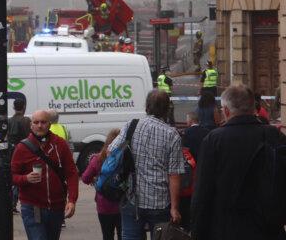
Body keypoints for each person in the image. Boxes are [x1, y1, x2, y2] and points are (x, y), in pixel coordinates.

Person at [192, 84, 286, 240]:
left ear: (227, 111)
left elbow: (203, 193)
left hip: (227, 228)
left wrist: (197, 232)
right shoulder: (274, 136)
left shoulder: (214, 140)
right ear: (252, 108)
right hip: (268, 229)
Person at [107, 90, 185, 240]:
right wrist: (174, 208)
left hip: (132, 199)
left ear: (147, 107)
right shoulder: (172, 134)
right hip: (160, 203)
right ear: (167, 109)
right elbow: (174, 174)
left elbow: (111, 151)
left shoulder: (132, 125)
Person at [11, 109, 79, 240]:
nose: (39, 125)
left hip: (56, 207)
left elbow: (71, 173)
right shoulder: (22, 147)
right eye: (36, 122)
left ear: (49, 124)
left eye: (43, 122)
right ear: (31, 125)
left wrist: (72, 200)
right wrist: (26, 178)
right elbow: (11, 176)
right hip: (32, 207)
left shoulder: (60, 144)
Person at [81, 127, 121, 240]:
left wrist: (95, 179)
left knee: (107, 235)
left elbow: (84, 178)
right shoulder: (125, 157)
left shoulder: (98, 159)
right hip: (123, 203)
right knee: (123, 235)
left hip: (104, 204)